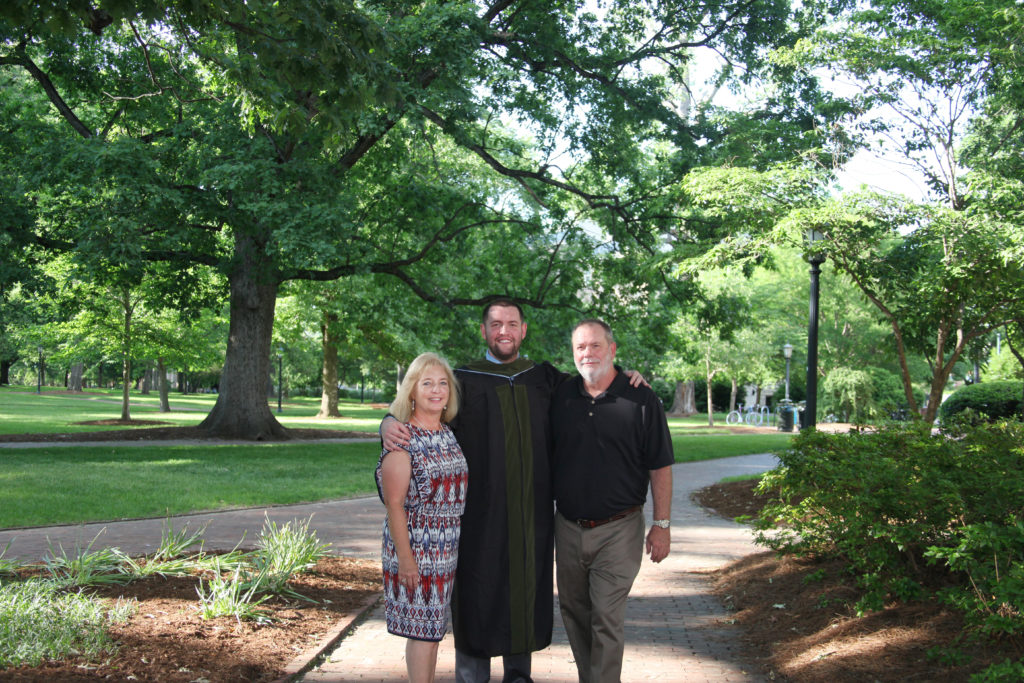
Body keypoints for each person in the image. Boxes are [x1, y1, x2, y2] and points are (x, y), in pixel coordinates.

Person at [381, 300, 648, 683]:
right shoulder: (461, 380)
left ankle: (519, 677)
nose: (503, 331)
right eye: (495, 324)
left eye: (511, 324)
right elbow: (420, 404)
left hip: (531, 516)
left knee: (523, 596)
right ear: (483, 330)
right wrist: (387, 422)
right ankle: (471, 677)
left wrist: (627, 376)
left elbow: (593, 383)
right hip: (477, 521)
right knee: (477, 594)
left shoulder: (543, 378)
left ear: (524, 330)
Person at [550, 319, 674, 683]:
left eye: (595, 346)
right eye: (580, 348)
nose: (587, 353)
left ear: (613, 349)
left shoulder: (641, 398)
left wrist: (662, 525)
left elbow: (660, 465)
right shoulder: (561, 395)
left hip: (619, 530)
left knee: (605, 615)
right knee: (574, 612)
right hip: (568, 526)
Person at [376, 352, 468, 683]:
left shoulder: (447, 432)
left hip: (446, 549)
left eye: (443, 383)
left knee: (433, 633)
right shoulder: (403, 439)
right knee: (423, 632)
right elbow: (394, 504)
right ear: (411, 390)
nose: (436, 390)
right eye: (426, 383)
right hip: (416, 547)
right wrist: (406, 559)